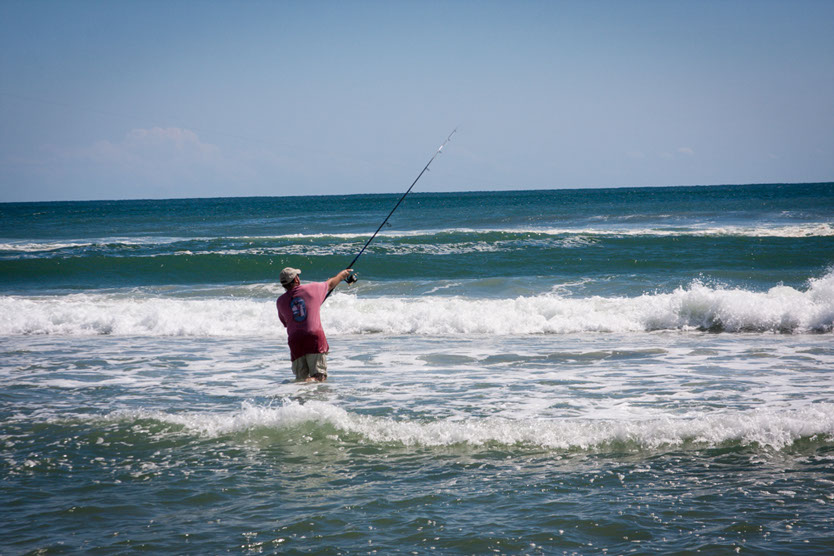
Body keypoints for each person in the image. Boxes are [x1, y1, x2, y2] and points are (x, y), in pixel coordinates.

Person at [276, 266, 352, 382]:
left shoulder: (280, 301)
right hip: (313, 337)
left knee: (300, 380)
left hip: (295, 340)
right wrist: (342, 275)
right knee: (319, 376)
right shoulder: (312, 289)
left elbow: (286, 322)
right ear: (296, 279)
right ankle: (311, 381)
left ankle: (303, 387)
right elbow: (330, 283)